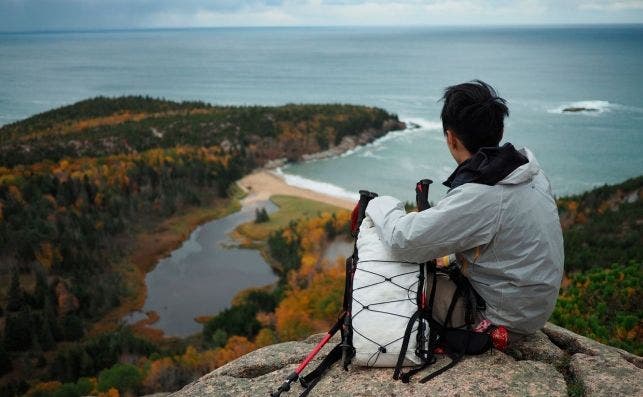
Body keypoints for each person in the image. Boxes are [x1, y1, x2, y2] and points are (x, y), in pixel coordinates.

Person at [364, 80, 564, 341]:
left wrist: (379, 204)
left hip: (500, 320)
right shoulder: (528, 171)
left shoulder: (483, 194)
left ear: (451, 137)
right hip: (529, 308)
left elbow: (401, 240)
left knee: (396, 277)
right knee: (436, 262)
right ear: (499, 129)